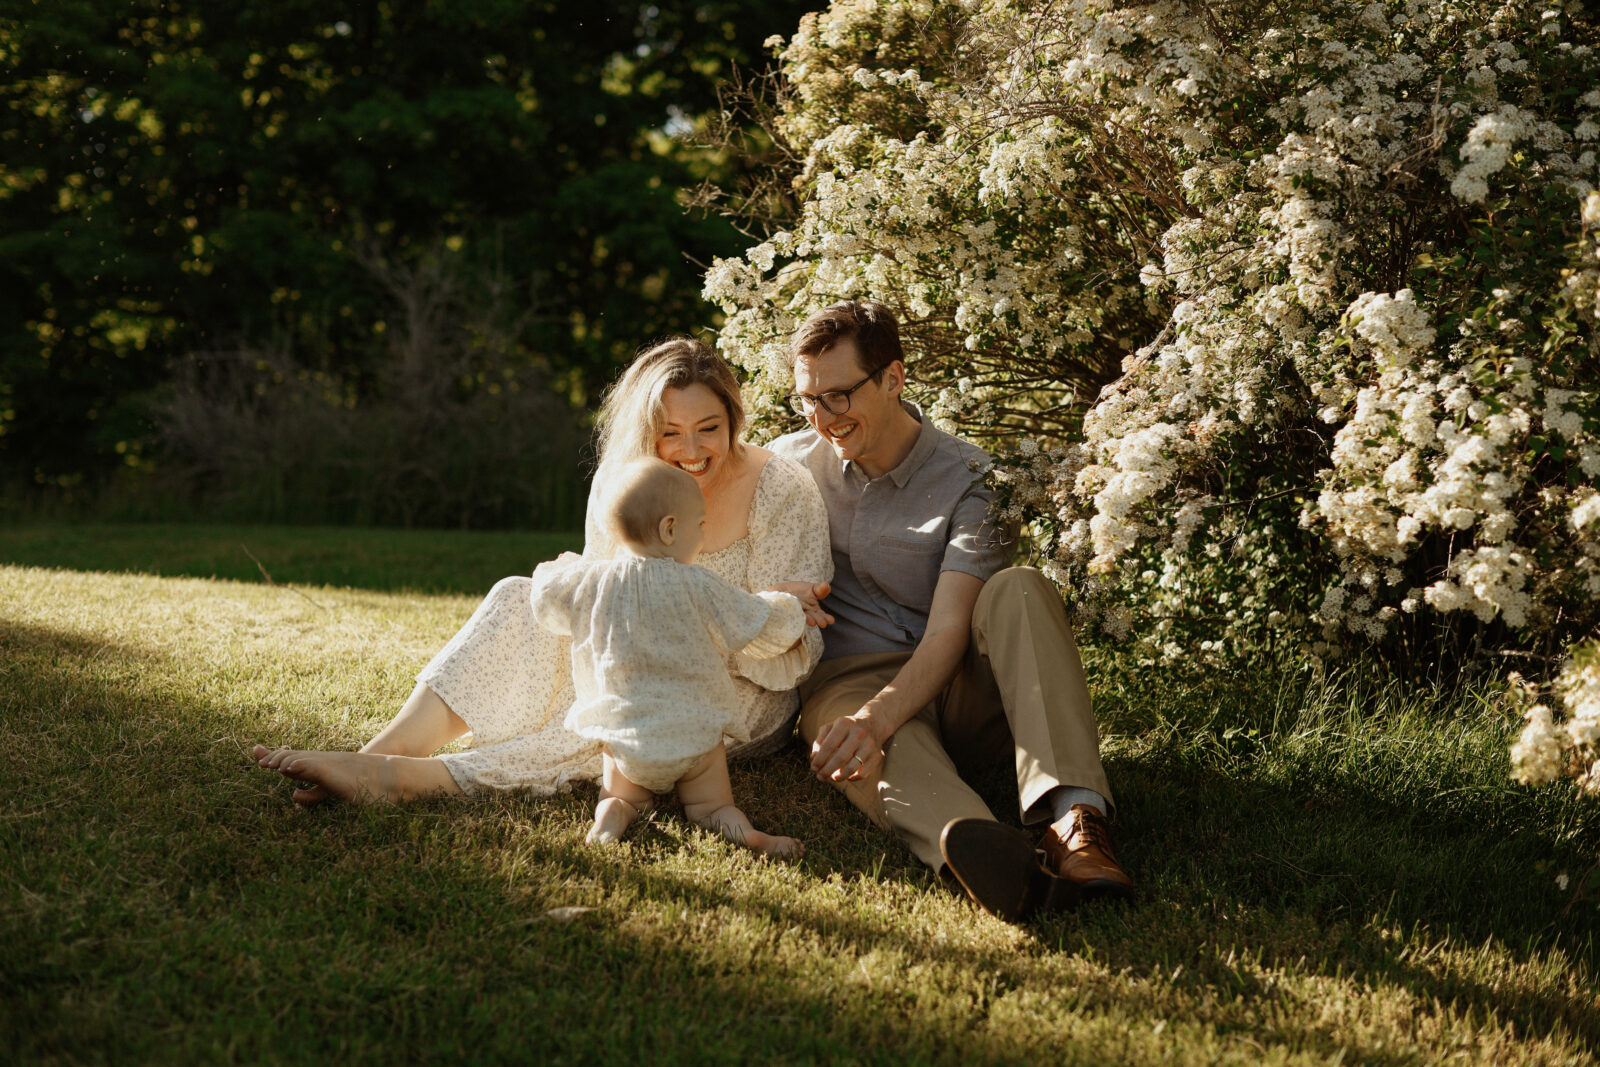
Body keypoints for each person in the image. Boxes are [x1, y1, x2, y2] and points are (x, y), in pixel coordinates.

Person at [253, 338, 833, 804]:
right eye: (669, 433)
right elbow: (601, 611)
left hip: (735, 696)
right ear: (645, 432)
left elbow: (793, 656)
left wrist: (717, 622)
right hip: (637, 661)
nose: (691, 451)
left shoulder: (779, 487)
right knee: (516, 597)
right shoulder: (623, 482)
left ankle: (405, 781)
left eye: (709, 427)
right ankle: (381, 751)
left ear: (734, 417)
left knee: (626, 712)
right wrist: (718, 611)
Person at [769, 300, 1135, 922]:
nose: (822, 417)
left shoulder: (976, 478)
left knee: (1019, 586)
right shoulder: (786, 467)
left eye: (838, 395)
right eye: (807, 398)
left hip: (962, 676)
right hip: (850, 676)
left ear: (893, 378)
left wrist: (874, 719)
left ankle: (1075, 820)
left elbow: (946, 633)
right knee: (865, 748)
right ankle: (978, 850)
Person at [532, 459, 805, 856]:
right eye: (700, 524)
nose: (703, 534)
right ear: (670, 528)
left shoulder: (592, 580)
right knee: (714, 807)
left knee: (623, 797)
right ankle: (748, 835)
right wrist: (789, 607)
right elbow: (753, 620)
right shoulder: (698, 583)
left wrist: (565, 566)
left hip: (626, 735)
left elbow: (545, 600)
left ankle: (612, 814)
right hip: (694, 735)